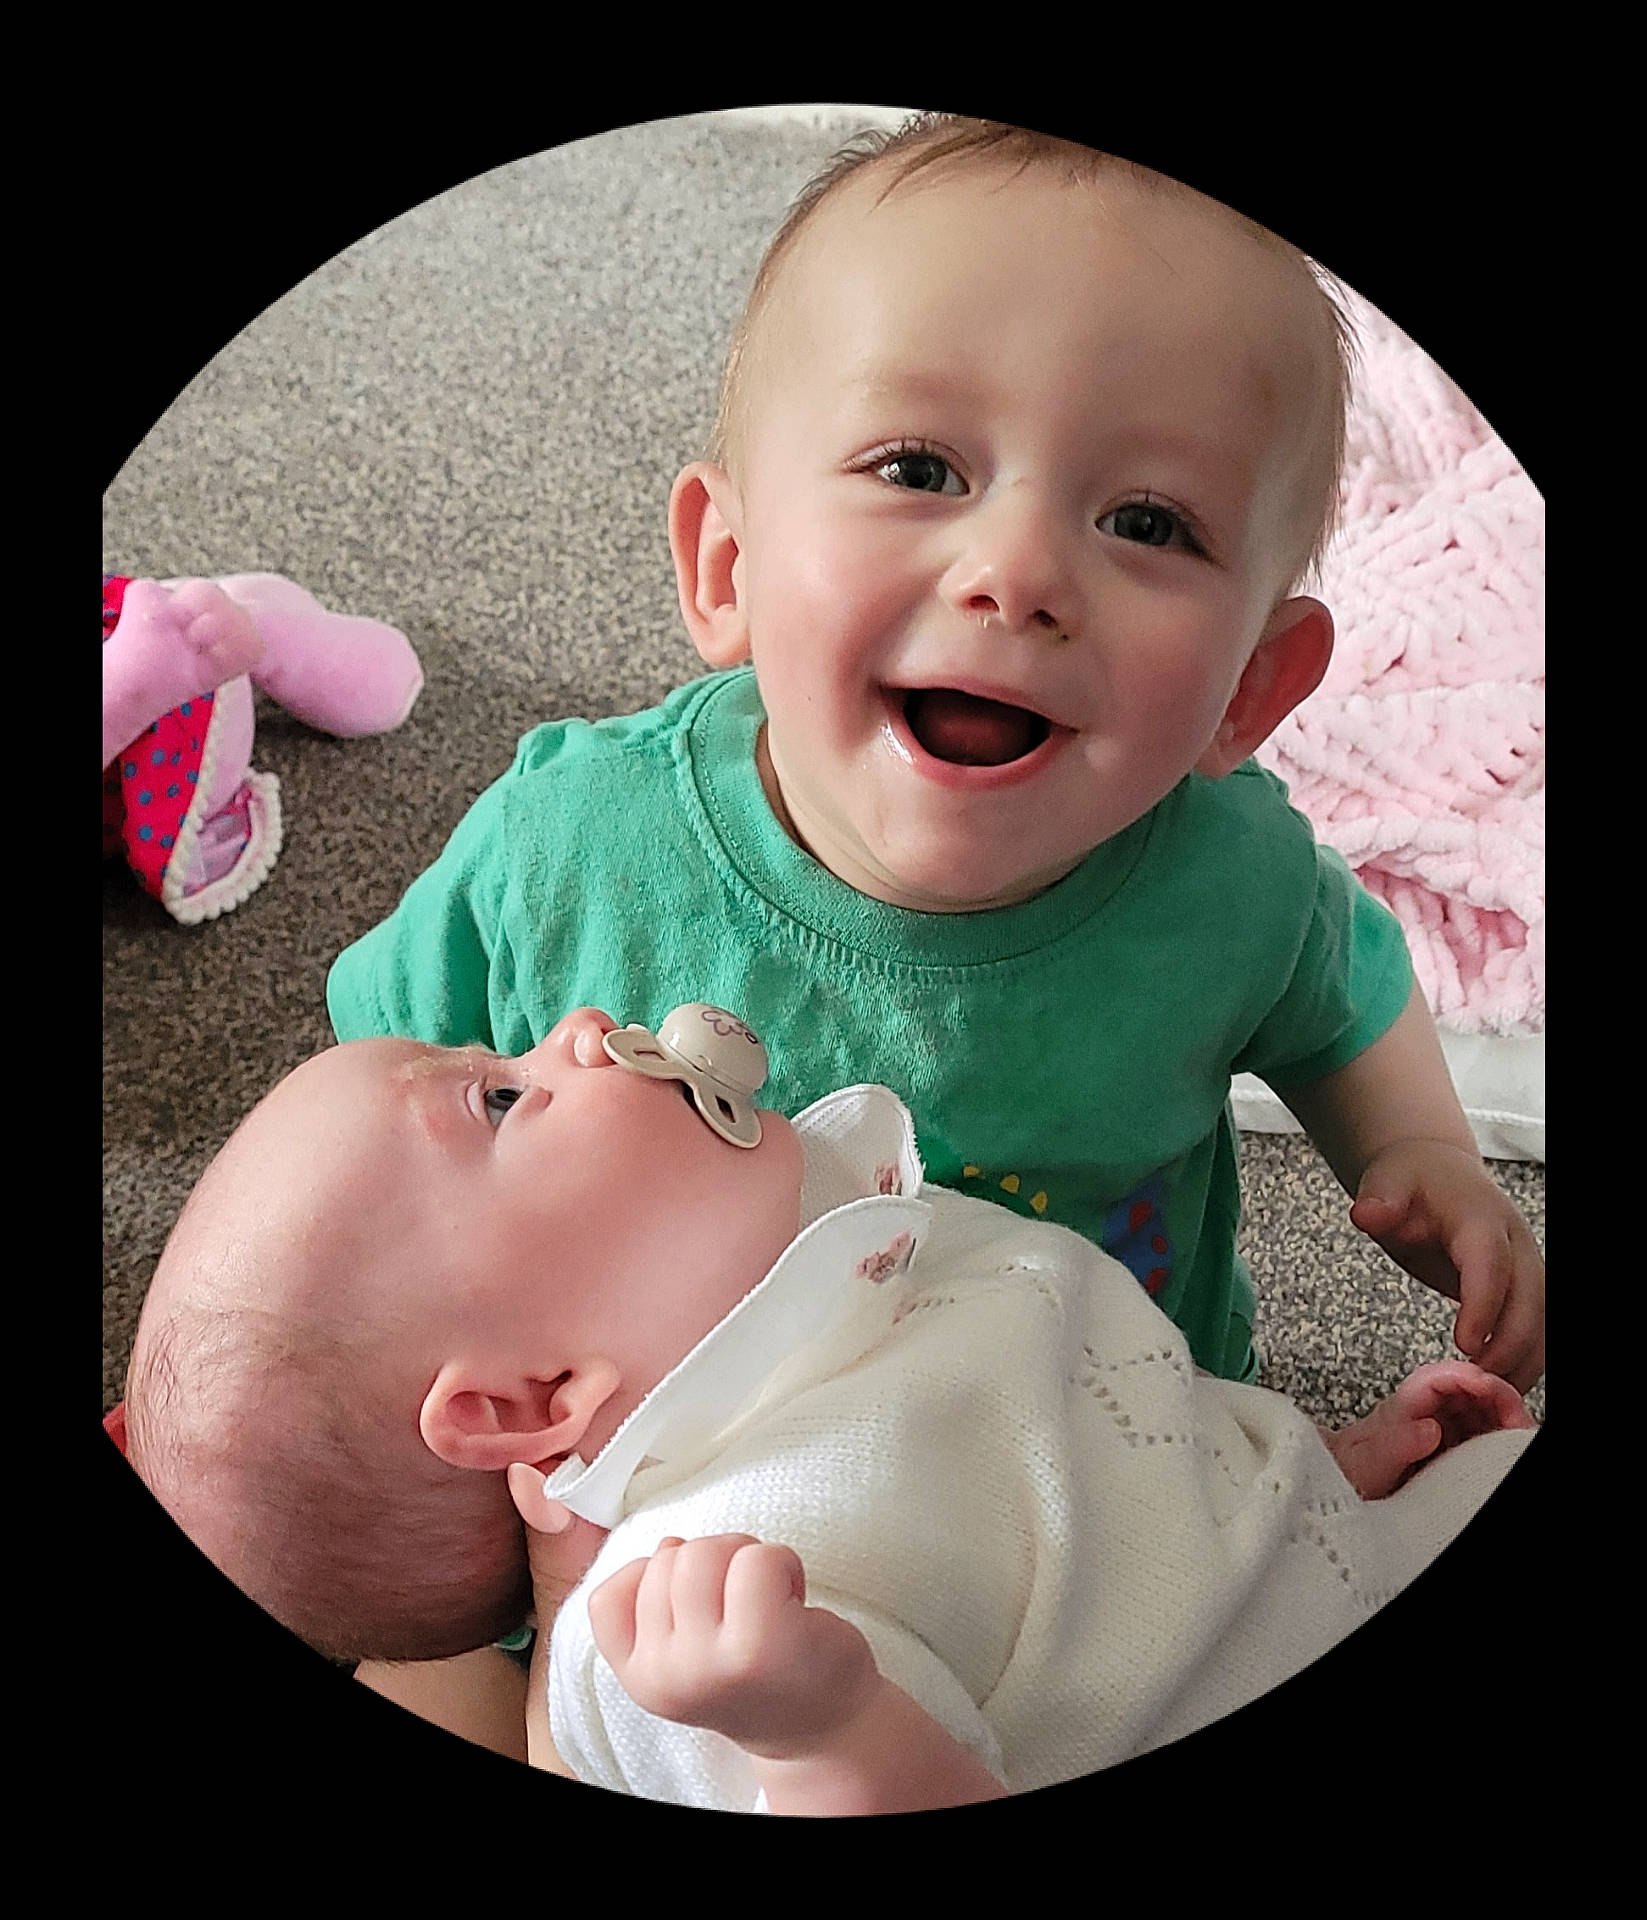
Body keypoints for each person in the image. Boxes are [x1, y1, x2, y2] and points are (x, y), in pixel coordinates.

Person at [324, 114, 1544, 1404]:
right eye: (919, 466)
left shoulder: (1236, 879)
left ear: (1251, 687)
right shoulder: (566, 847)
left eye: (1148, 522)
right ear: (726, 567)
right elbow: (373, 1110)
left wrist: (1418, 1151)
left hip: (1123, 1450)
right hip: (656, 1465)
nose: (1017, 574)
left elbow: (1347, 998)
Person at [120, 1005, 1536, 1814]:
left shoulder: (836, 1262)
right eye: (501, 1099)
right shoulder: (691, 1630)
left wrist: (1323, 1472)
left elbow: (1072, 1484)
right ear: (528, 1400)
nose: (577, 1030)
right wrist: (824, 1734)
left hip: (1300, 1566)